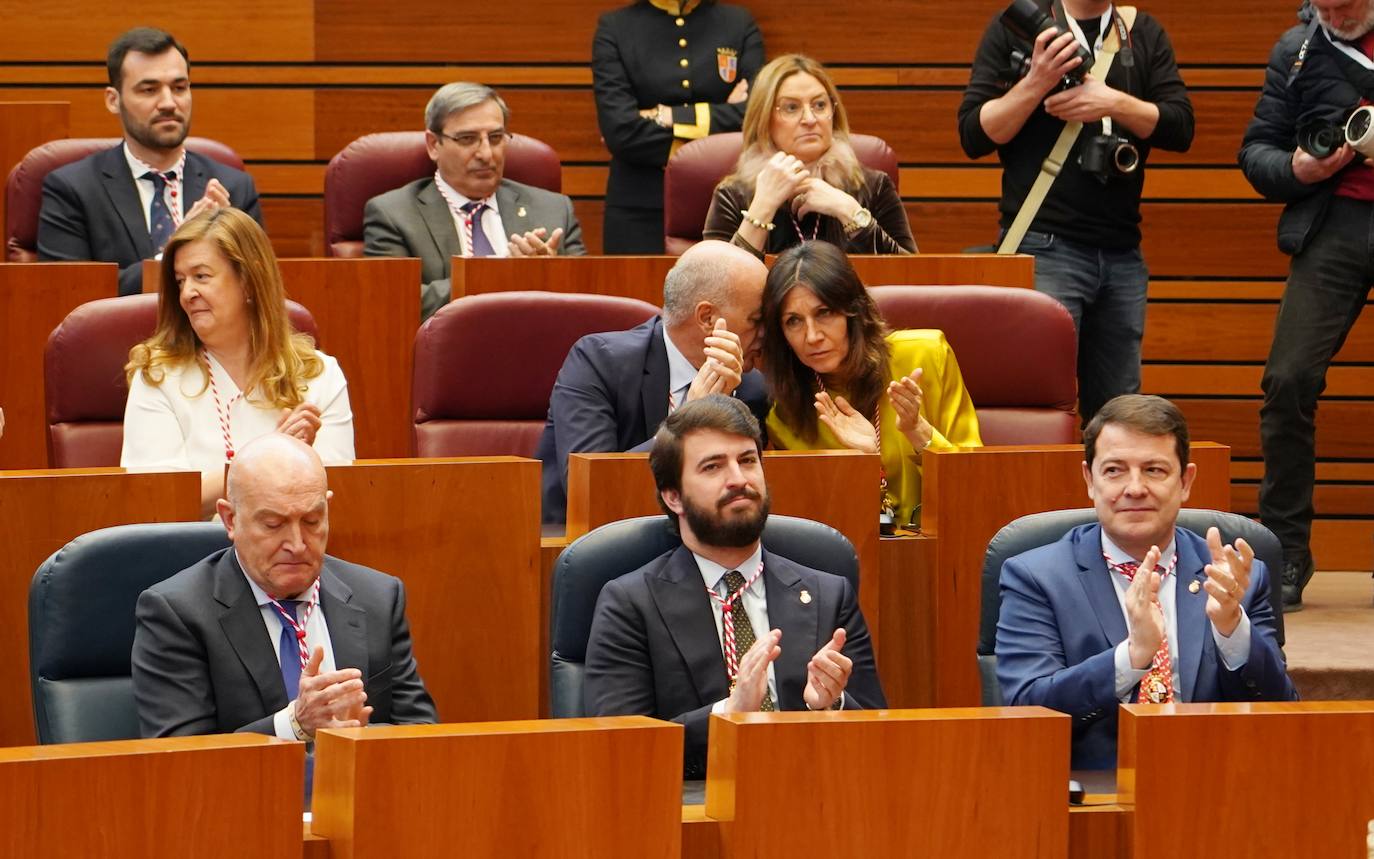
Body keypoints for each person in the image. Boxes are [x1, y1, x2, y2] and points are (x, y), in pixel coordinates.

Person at [584, 395, 886, 776]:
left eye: (747, 460)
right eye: (712, 467)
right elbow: (619, 748)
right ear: (673, 496)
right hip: (693, 813)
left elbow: (880, 737)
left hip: (816, 806)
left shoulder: (829, 593)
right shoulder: (629, 603)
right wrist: (729, 713)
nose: (739, 479)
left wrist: (831, 705)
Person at [996, 394, 1296, 770]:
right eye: (1114, 470)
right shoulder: (1036, 577)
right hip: (1092, 796)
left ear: (1186, 481)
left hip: (1214, 788)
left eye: (1154, 470)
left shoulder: (1232, 578)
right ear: (1090, 479)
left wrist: (1231, 629)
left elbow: (1282, 714)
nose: (1134, 487)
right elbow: (1026, 711)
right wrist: (1132, 656)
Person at [958, 1, 1194, 422]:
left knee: (1120, 410)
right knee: (1038, 404)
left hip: (1122, 254)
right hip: (1044, 246)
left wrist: (1112, 103)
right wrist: (1037, 81)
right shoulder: (1018, 26)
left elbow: (1180, 127)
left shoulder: (1142, 31)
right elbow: (975, 135)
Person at [131, 432, 437, 742]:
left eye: (312, 521)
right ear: (230, 520)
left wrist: (356, 738)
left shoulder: (378, 598)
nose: (297, 544)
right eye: (274, 524)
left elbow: (420, 734)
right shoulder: (178, 613)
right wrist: (293, 725)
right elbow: (183, 758)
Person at [1238, 0, 1374, 609]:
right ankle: (1285, 551)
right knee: (1287, 380)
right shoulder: (1293, 50)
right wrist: (1294, 166)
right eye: (1324, 4)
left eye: (1346, 3)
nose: (1335, 12)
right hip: (1334, 223)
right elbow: (1256, 151)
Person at [121, 207, 354, 518]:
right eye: (180, 281)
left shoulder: (319, 375)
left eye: (201, 276)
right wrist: (271, 454)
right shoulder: (158, 376)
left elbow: (333, 500)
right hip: (193, 556)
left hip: (295, 553)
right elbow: (158, 501)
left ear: (248, 280)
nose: (187, 293)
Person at [536, 240, 769, 525]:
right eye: (757, 320)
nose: (765, 334)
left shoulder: (749, 388)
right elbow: (592, 487)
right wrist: (685, 424)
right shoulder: (598, 363)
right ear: (707, 318)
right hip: (591, 545)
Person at [760, 242, 981, 528]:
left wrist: (919, 433)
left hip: (942, 544)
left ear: (854, 311)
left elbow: (975, 486)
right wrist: (863, 465)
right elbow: (810, 525)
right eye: (794, 321)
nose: (812, 336)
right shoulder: (786, 415)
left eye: (824, 313)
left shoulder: (925, 357)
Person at [38, 27, 262, 297]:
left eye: (179, 88)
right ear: (113, 100)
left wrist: (231, 241)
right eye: (149, 90)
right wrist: (177, 250)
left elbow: (259, 293)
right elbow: (71, 295)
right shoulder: (72, 189)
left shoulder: (234, 187)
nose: (168, 103)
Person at [363, 82, 587, 321]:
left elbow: (590, 295)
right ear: (433, 145)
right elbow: (394, 301)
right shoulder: (393, 214)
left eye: (496, 137)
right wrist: (499, 276)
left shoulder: (553, 209)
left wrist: (548, 273)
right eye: (468, 139)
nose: (486, 154)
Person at [703, 54, 917, 259]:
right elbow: (718, 289)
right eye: (791, 107)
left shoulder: (872, 186)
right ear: (764, 120)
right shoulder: (734, 194)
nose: (809, 118)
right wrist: (762, 207)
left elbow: (911, 278)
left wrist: (849, 211)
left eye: (819, 105)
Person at [593, 0, 763, 254]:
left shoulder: (738, 24)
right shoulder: (615, 28)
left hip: (726, 199)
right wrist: (719, 122)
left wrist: (665, 114)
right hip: (640, 206)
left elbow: (755, 115)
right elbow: (621, 132)